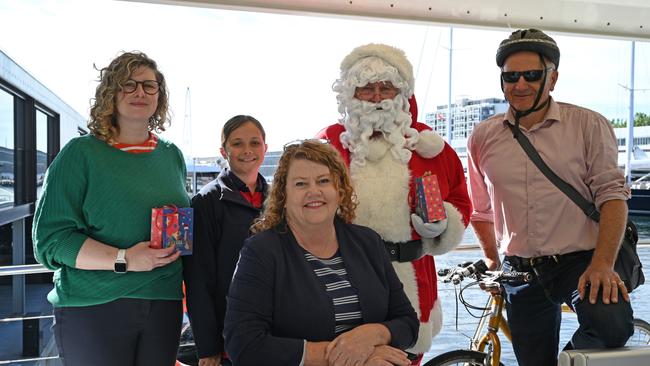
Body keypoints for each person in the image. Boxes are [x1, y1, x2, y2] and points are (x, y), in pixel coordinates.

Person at [467, 28, 634, 366]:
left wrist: (602, 264)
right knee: (532, 361)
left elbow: (613, 196)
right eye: (511, 76)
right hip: (519, 270)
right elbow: (481, 211)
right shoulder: (483, 137)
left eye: (532, 75)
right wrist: (491, 262)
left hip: (581, 261)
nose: (520, 84)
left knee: (612, 326)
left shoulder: (588, 125)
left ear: (552, 78)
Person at [317, 43, 471, 363]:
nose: (376, 97)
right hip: (341, 276)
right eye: (366, 88)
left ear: (401, 93)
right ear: (350, 93)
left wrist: (444, 225)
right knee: (345, 354)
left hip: (412, 277)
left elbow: (459, 197)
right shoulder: (327, 144)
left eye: (385, 87)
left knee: (406, 354)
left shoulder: (432, 147)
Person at [32, 51, 189, 366]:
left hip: (164, 304)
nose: (139, 92)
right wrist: (126, 259)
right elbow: (50, 241)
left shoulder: (172, 155)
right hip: (94, 305)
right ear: (110, 94)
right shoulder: (80, 155)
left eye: (148, 85)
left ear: (160, 96)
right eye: (128, 85)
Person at [223, 140, 419, 366]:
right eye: (300, 184)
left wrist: (372, 335)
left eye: (324, 181)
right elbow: (243, 344)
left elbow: (408, 324)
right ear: (283, 196)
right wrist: (349, 355)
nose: (313, 191)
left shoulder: (368, 242)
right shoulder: (261, 252)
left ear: (340, 190)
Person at [183, 115, 268, 366]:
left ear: (265, 147)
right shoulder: (205, 202)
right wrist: (208, 346)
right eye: (237, 143)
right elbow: (197, 278)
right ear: (224, 150)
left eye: (255, 143)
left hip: (275, 333)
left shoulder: (278, 199)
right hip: (228, 336)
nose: (247, 151)